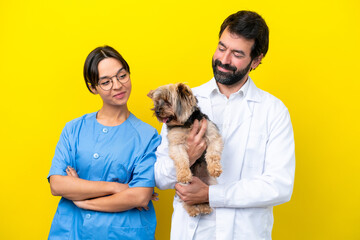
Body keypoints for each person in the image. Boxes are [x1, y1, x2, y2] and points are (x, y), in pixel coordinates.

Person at [154, 10, 295, 239]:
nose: (224, 60)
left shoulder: (273, 111)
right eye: (222, 47)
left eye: (237, 54)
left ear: (256, 60)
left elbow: (279, 185)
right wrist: (188, 155)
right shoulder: (182, 102)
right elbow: (160, 177)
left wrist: (211, 194)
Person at [47, 46, 161, 240]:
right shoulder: (74, 129)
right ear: (93, 88)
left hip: (121, 234)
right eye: (106, 82)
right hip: (70, 232)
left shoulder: (147, 136)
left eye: (122, 76)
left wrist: (81, 199)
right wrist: (116, 188)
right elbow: (57, 185)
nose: (117, 86)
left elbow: (139, 196)